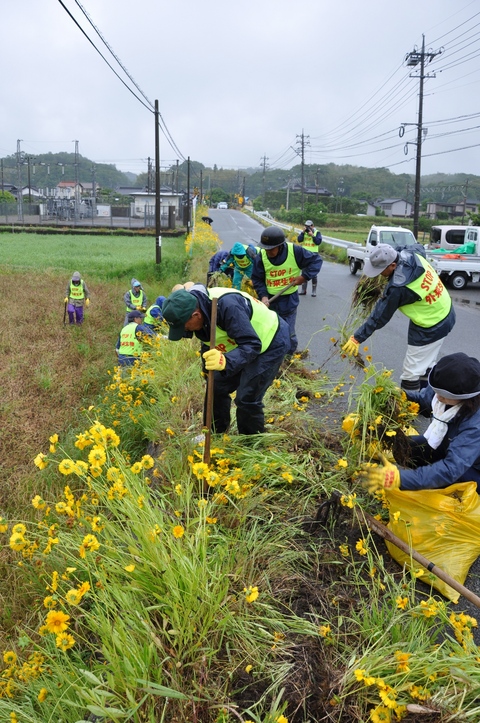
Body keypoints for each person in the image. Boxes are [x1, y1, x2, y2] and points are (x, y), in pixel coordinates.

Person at [162, 285, 290, 435]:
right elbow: (208, 341)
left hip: (269, 341)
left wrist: (226, 362)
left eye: (184, 327)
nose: (185, 331)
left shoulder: (228, 307)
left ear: (196, 315)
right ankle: (215, 433)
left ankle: (250, 441)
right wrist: (207, 369)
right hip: (241, 343)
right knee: (215, 386)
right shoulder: (201, 310)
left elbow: (251, 344)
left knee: (246, 396)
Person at [342, 244, 456, 392]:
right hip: (444, 310)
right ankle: (428, 402)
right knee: (426, 364)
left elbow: (379, 317)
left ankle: (411, 410)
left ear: (393, 265)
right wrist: (392, 250)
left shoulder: (398, 286)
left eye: (380, 271)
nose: (378, 274)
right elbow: (418, 246)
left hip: (432, 324)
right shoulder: (411, 253)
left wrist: (357, 338)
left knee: (411, 373)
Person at [362, 352, 480, 493]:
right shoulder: (443, 387)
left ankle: (441, 494)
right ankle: (425, 480)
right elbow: (424, 401)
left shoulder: (475, 423)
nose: (438, 397)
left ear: (466, 398)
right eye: (436, 391)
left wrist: (401, 479)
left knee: (453, 480)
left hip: (471, 467)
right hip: (445, 445)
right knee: (406, 448)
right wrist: (399, 396)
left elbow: (452, 468)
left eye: (444, 396)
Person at [251, 226, 323, 355]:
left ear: (280, 246)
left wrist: (304, 276)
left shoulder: (294, 251)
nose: (268, 252)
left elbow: (316, 260)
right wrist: (263, 296)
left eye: (271, 249)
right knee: (271, 333)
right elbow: (257, 279)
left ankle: (288, 360)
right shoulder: (261, 257)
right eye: (265, 248)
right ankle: (273, 357)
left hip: (289, 299)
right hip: (270, 302)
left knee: (288, 333)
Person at [297, 220, 323, 296]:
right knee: (304, 272)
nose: (308, 228)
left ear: (312, 226)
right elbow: (299, 240)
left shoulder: (316, 232)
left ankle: (314, 291)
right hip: (304, 254)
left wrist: (312, 235)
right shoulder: (304, 233)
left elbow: (318, 242)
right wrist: (302, 232)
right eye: (306, 226)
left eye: (309, 226)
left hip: (313, 255)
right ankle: (303, 290)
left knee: (313, 274)